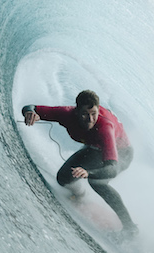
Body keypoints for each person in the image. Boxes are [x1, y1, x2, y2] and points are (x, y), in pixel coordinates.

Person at [21, 90, 138, 239]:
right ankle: (80, 195)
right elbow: (30, 107)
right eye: (85, 114)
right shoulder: (66, 114)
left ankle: (130, 228)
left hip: (122, 154)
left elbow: (112, 169)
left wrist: (88, 173)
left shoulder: (105, 127)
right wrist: (29, 113)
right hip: (94, 149)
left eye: (94, 114)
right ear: (76, 112)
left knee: (97, 182)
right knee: (63, 178)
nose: (90, 119)